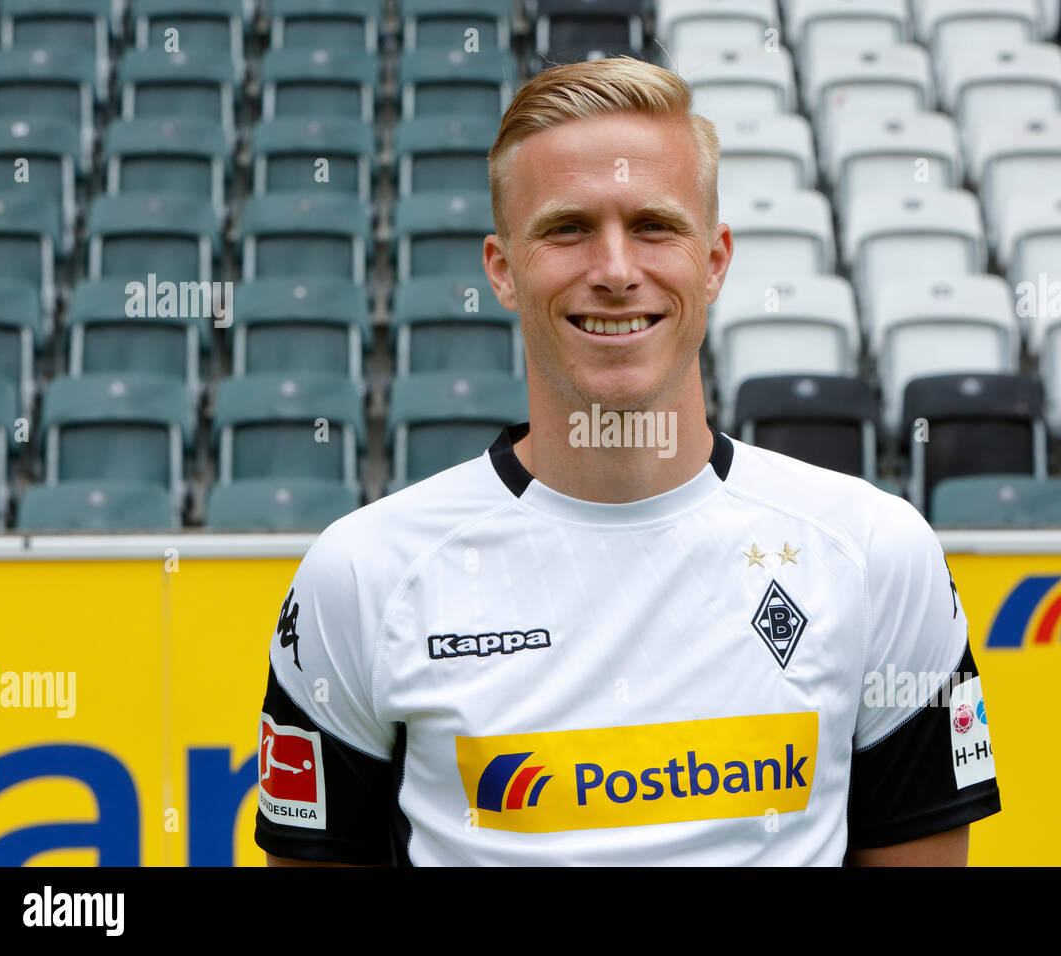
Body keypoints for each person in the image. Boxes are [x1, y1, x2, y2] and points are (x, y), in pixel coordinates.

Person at [255, 57, 1000, 866]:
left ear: (714, 261)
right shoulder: (363, 573)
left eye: (654, 225)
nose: (614, 272)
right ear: (502, 269)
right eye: (567, 229)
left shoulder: (876, 553)